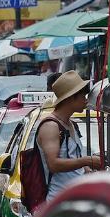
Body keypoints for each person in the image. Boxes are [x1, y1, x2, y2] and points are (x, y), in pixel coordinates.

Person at [38, 71, 102, 202]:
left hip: (75, 199)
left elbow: (73, 159)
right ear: (71, 97)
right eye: (82, 96)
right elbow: (53, 164)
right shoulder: (51, 126)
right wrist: (86, 161)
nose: (85, 100)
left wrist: (87, 170)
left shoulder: (70, 124)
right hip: (58, 202)